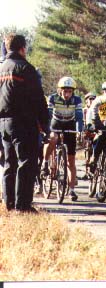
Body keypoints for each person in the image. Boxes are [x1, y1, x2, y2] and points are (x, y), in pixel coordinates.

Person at [0, 33, 49, 212]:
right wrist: (45, 124)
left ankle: (9, 204)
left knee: (9, 163)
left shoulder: (1, 68)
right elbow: (38, 98)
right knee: (26, 162)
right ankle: (23, 207)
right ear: (23, 48)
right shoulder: (26, 68)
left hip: (3, 123)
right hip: (23, 122)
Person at [42, 76, 83, 201]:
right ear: (60, 90)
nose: (67, 94)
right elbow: (48, 114)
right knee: (53, 138)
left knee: (71, 161)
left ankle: (71, 190)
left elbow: (79, 116)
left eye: (70, 91)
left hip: (69, 124)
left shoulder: (76, 100)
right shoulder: (53, 98)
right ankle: (45, 162)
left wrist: (80, 130)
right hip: (56, 123)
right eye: (65, 91)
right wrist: (47, 130)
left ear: (73, 92)